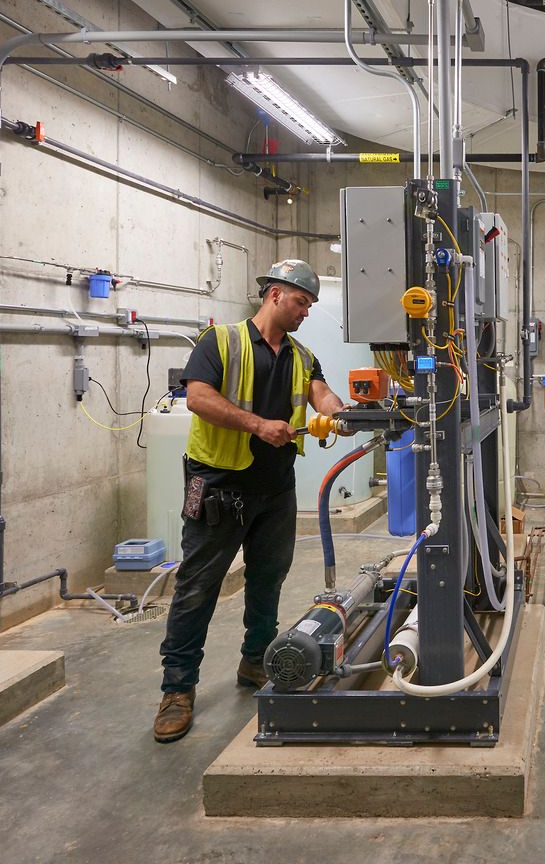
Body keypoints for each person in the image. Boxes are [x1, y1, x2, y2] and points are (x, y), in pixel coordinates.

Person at [153, 259, 347, 743]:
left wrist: (340, 412)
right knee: (198, 587)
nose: (306, 311)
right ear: (275, 295)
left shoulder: (301, 355)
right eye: (301, 301)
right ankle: (177, 689)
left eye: (310, 304)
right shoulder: (220, 342)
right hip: (218, 484)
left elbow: (320, 392)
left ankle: (255, 661)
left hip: (275, 488)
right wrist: (259, 424)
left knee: (268, 579)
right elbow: (198, 398)